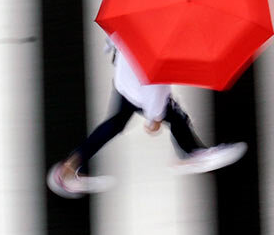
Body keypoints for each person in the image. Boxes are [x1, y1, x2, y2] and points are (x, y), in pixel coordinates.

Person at [47, 36, 248, 197]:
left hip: (124, 81)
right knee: (177, 117)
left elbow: (114, 37)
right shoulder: (160, 48)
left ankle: (68, 168)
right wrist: (154, 119)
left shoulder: (134, 21)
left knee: (115, 123)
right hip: (140, 92)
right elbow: (156, 92)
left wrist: (111, 45)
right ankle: (192, 151)